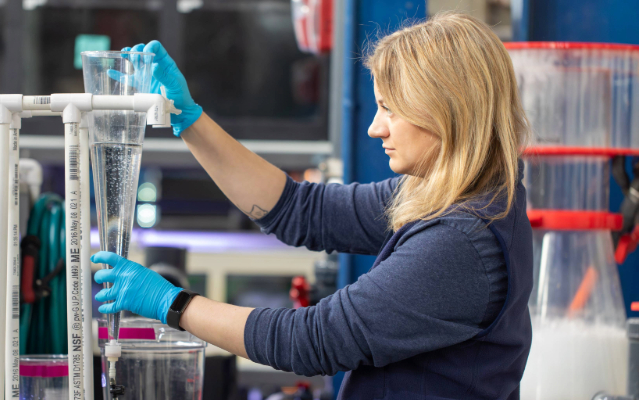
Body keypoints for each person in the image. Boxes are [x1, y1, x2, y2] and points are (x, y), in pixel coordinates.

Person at [92, 12, 532, 399]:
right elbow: (301, 209)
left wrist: (172, 304)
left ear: (446, 112)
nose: (375, 129)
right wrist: (190, 121)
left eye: (389, 109)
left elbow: (312, 340)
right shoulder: (455, 195)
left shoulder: (460, 241)